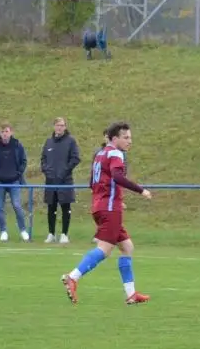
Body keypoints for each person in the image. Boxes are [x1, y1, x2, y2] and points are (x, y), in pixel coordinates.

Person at [61, 122, 151, 305]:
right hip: (109, 208)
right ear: (114, 138)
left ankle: (131, 294)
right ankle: (73, 277)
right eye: (125, 137)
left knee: (127, 247)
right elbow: (117, 177)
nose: (129, 141)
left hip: (102, 206)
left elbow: (94, 182)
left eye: (130, 137)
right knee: (105, 249)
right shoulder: (115, 153)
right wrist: (141, 190)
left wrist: (113, 198)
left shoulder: (100, 154)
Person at [0, 122, 29, 242]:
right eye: (3, 132)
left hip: (14, 181)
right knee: (0, 207)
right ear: (0, 133)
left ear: (11, 132)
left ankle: (23, 230)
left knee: (17, 205)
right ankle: (3, 231)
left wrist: (18, 173)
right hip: (0, 182)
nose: (5, 134)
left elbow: (24, 161)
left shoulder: (17, 145)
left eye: (7, 131)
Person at [41, 117, 81, 244]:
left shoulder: (71, 142)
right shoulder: (48, 142)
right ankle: (51, 233)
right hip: (51, 181)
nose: (60, 127)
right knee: (51, 208)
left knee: (65, 207)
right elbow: (43, 159)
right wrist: (46, 170)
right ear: (54, 126)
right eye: (58, 125)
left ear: (65, 127)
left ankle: (64, 234)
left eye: (62, 125)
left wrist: (64, 171)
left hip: (65, 180)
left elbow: (75, 158)